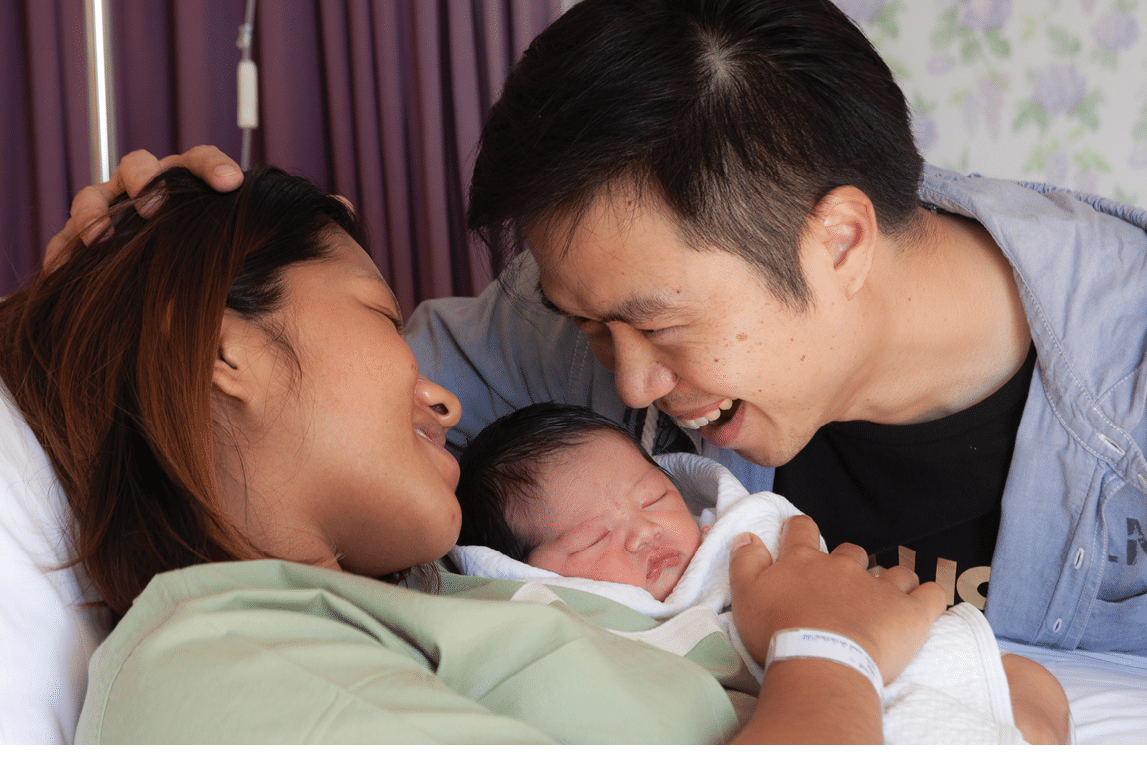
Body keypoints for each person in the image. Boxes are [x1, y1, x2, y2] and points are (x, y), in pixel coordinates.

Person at [9, 164, 949, 743]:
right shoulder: (221, 668)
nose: (444, 399)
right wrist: (828, 651)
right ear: (223, 350)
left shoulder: (436, 602)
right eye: (383, 319)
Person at [451, 402, 1070, 744]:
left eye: (653, 499)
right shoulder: (567, 631)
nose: (642, 533)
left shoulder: (739, 541)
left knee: (1026, 680)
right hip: (807, 716)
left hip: (880, 655)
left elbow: (823, 578)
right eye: (592, 537)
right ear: (519, 569)